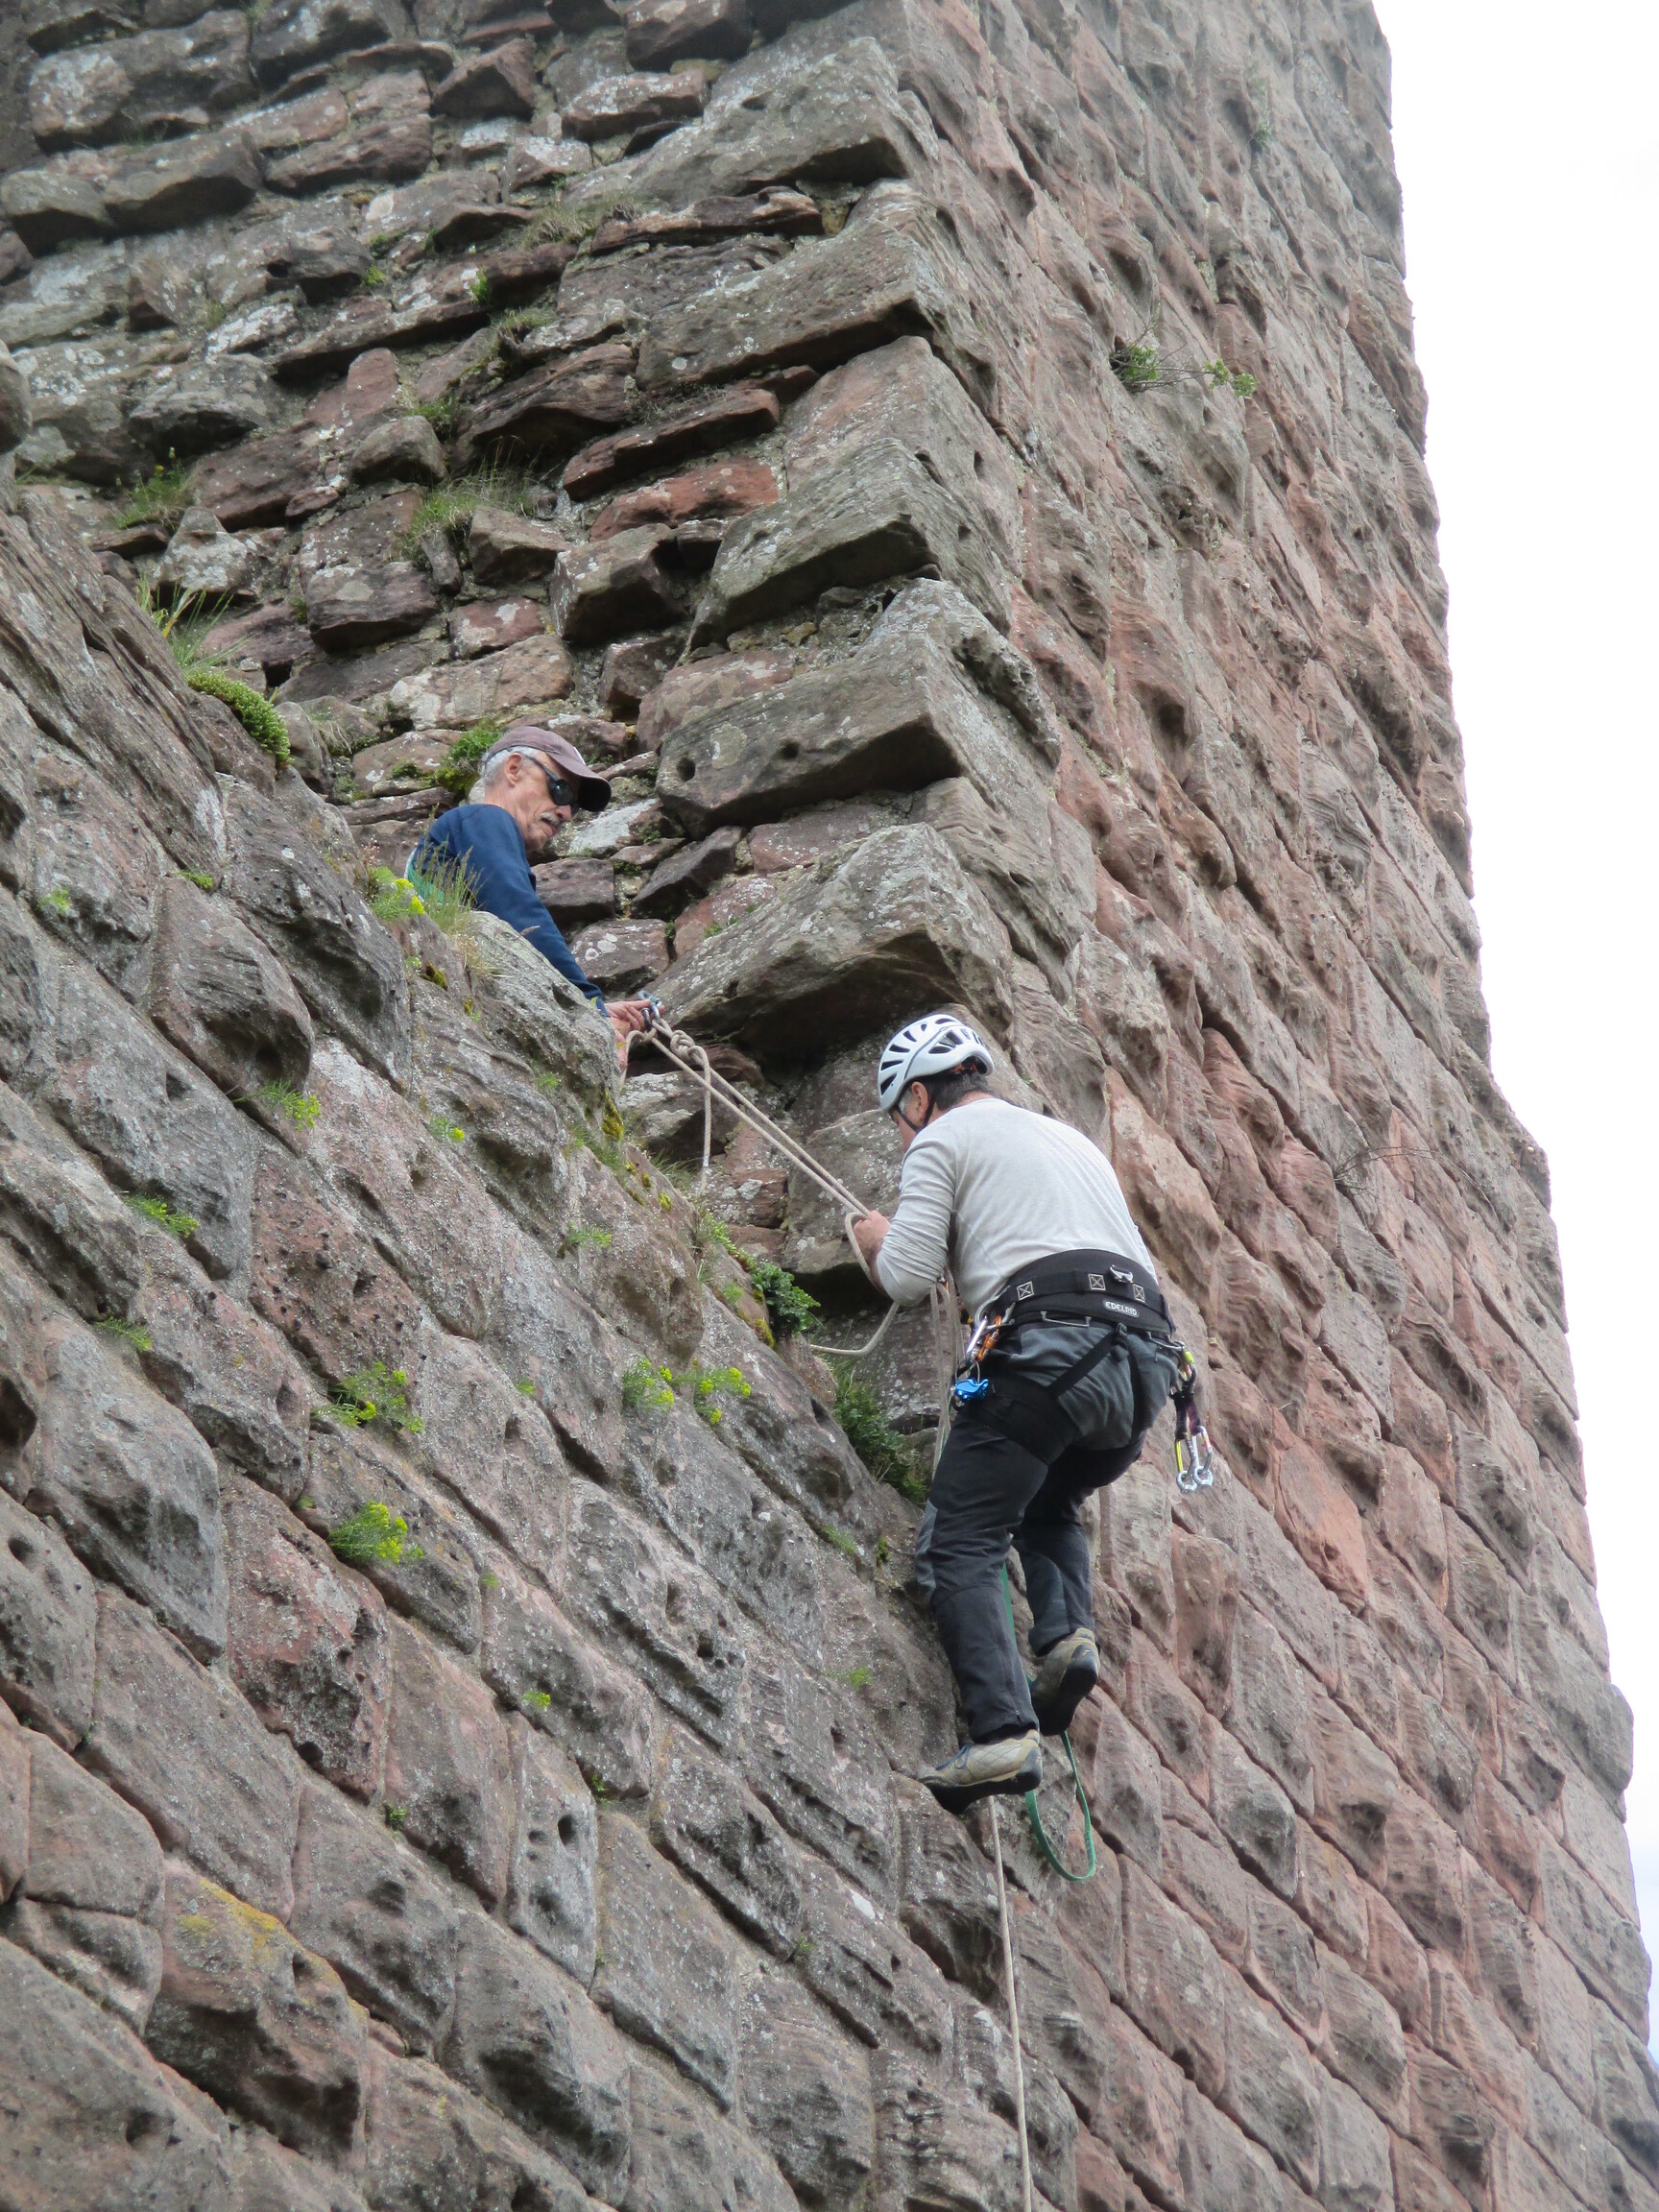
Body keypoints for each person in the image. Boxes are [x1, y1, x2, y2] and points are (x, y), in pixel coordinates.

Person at [853, 1013, 1181, 1809]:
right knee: (1048, 1498)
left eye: (901, 1116)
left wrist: (871, 1237)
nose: (905, 1134)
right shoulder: (1074, 1144)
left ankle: (1002, 1734)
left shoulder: (941, 1140)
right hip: (1144, 1367)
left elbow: (907, 1276)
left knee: (959, 1539)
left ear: (919, 1098)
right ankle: (1067, 1638)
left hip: (1046, 1351)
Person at [411, 724, 650, 1059]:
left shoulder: (473, 834)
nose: (566, 813)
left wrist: (581, 1007)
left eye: (574, 806)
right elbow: (520, 915)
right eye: (561, 791)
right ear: (513, 769)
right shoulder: (485, 819)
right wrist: (591, 1008)